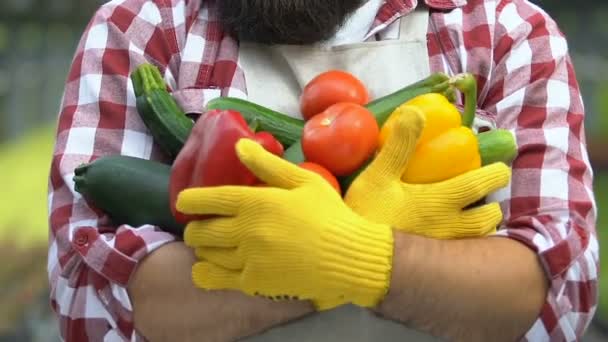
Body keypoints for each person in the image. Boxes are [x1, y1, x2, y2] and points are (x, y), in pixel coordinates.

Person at [47, 0, 598, 341]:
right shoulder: (140, 29)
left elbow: (553, 301)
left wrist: (361, 257)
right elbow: (92, 305)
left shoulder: (508, 34)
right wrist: (342, 259)